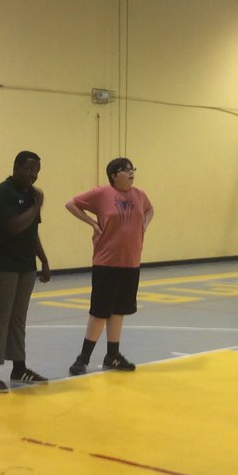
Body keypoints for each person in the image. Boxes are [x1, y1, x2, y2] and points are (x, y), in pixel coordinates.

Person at [65, 157, 154, 375]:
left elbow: (150, 210)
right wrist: (93, 224)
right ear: (114, 175)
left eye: (133, 168)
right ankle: (83, 357)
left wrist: (144, 223)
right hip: (107, 261)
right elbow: (71, 204)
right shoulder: (101, 193)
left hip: (131, 261)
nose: (131, 173)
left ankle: (112, 355)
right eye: (126, 170)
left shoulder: (140, 195)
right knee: (100, 311)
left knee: (118, 310)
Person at [0, 151, 52, 391]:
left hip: (25, 263)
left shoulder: (30, 194)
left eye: (37, 172)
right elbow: (14, 226)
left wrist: (43, 259)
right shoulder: (3, 192)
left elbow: (32, 230)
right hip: (1, 261)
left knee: (18, 317)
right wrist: (38, 205)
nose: (33, 175)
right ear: (16, 167)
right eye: (29, 170)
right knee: (1, 316)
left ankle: (19, 368)